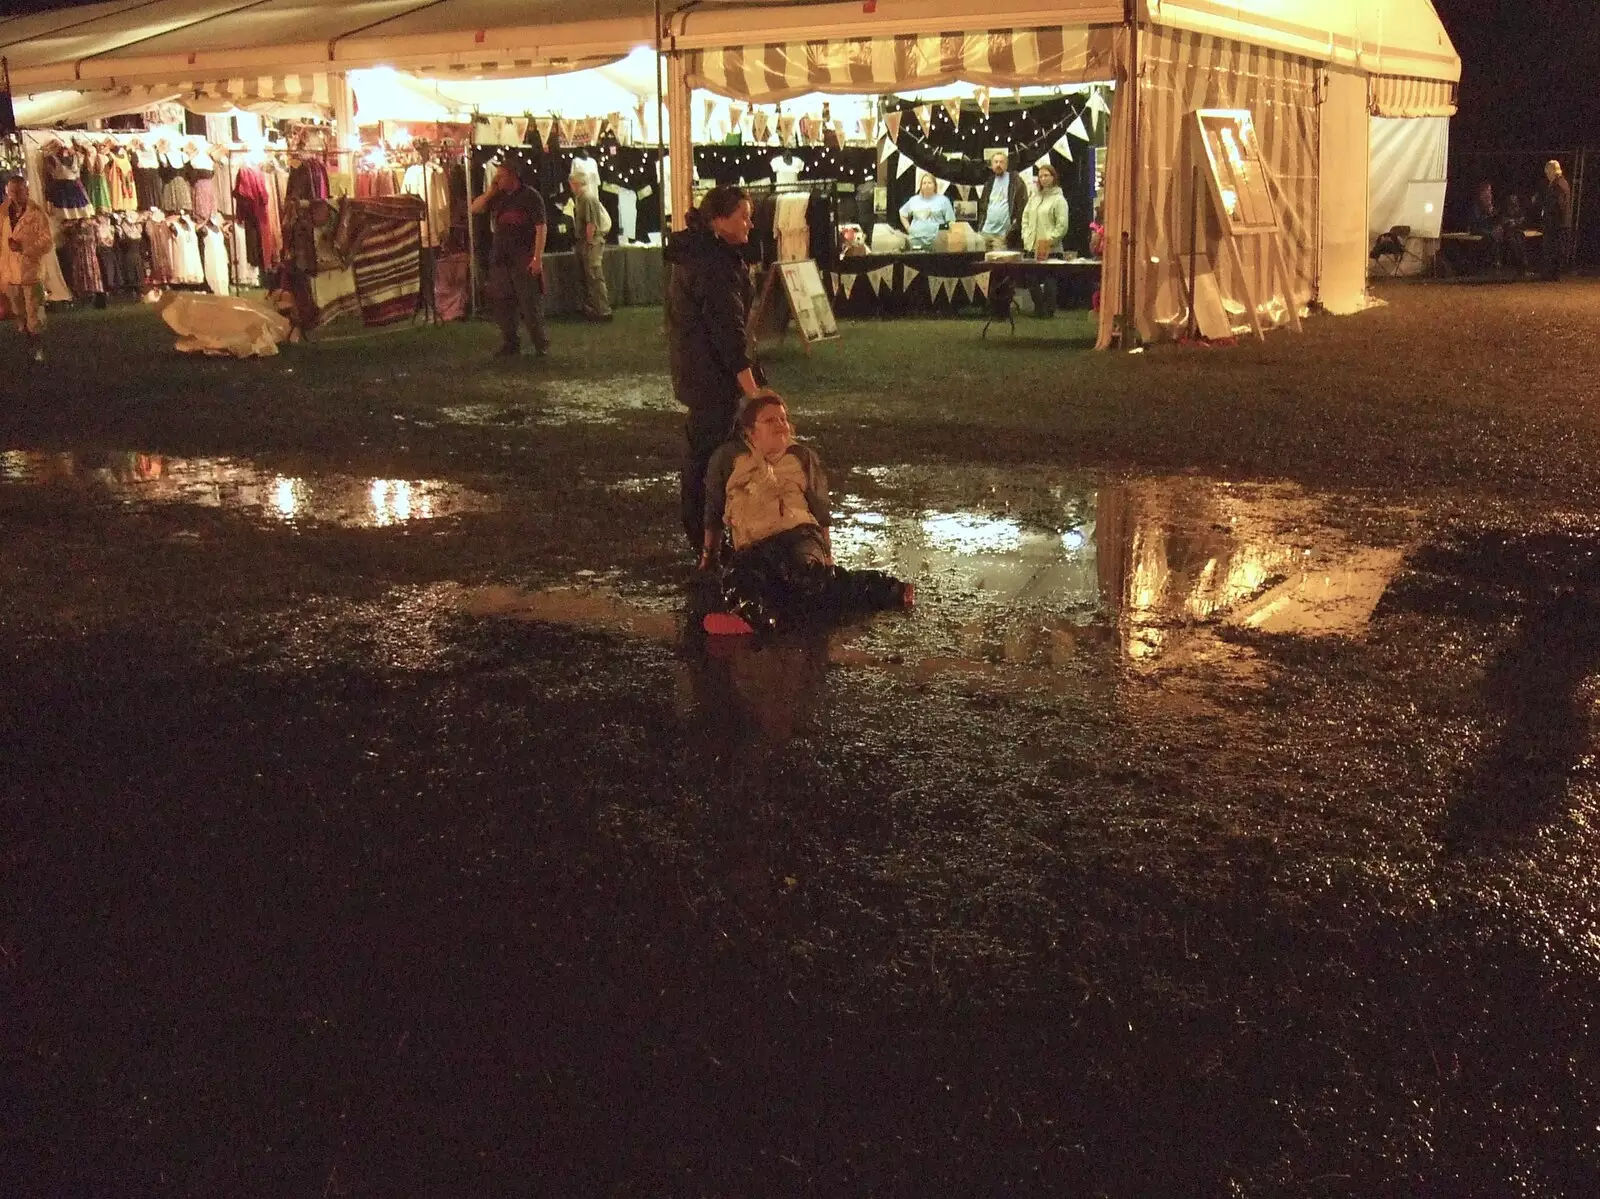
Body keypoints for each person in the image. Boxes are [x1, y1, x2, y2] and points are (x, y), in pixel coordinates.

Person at [699, 393, 914, 635]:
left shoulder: (801, 456)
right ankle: (755, 620)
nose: (780, 424)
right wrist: (709, 556)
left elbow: (821, 511)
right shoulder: (728, 458)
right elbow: (714, 509)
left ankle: (888, 589)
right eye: (770, 420)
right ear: (750, 431)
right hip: (753, 545)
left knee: (806, 577)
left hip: (799, 536)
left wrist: (827, 554)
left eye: (783, 419)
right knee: (742, 577)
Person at [665, 185, 764, 553]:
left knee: (706, 455)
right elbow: (728, 333)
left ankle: (710, 535)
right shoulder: (712, 264)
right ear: (719, 221)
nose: (750, 224)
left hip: (698, 371)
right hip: (710, 378)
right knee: (710, 460)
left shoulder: (704, 254)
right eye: (743, 215)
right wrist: (754, 393)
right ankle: (704, 539)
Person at [470, 161, 549, 357]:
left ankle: (540, 343)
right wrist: (490, 192)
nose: (497, 180)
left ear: (513, 176)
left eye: (501, 176)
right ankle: (511, 342)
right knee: (503, 303)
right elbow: (475, 209)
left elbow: (541, 227)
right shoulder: (498, 197)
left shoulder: (530, 196)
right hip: (501, 257)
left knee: (529, 304)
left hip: (523, 257)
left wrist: (537, 257)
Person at [1, 176, 55, 364]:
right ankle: (28, 346)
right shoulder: (4, 213)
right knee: (19, 313)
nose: (14, 196)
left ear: (26, 191)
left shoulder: (36, 214)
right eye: (11, 192)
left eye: (18, 192)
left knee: (34, 314)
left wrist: (24, 247)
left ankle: (38, 348)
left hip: (31, 271)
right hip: (12, 273)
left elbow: (47, 242)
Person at [1021, 164, 1070, 317]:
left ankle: (1049, 310)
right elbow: (1025, 218)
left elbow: (1062, 225)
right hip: (1032, 246)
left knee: (1050, 280)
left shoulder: (1059, 200)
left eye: (1046, 175)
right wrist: (1025, 235)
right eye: (1040, 176)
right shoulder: (1033, 198)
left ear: (1053, 177)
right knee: (1031, 279)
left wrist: (1050, 241)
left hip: (1051, 248)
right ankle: (1039, 307)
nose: (1043, 179)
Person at [568, 168, 613, 321]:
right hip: (586, 242)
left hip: (591, 242)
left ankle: (603, 310)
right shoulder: (581, 198)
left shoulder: (587, 198)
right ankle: (594, 308)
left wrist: (588, 242)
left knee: (595, 275)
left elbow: (591, 224)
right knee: (589, 276)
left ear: (577, 183)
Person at [974, 150, 1027, 252]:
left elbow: (1022, 205)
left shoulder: (1015, 181)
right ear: (991, 165)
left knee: (999, 264)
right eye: (996, 162)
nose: (998, 164)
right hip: (985, 232)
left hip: (1003, 235)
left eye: (1001, 162)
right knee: (981, 263)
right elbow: (983, 207)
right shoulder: (989, 183)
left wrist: (1014, 226)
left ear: (1006, 165)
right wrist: (980, 227)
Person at [898, 173, 955, 251]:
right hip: (915, 240)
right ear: (920, 186)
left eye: (929, 183)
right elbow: (902, 214)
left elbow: (951, 221)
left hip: (938, 242)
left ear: (935, 185)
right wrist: (908, 228)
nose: (927, 185)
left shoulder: (943, 200)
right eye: (924, 183)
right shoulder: (914, 200)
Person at [1539, 159, 1573, 281]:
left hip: (1557, 224)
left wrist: (1546, 214)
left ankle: (1553, 275)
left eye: (1548, 172)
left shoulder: (1557, 184)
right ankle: (1554, 274)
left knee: (1554, 249)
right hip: (1561, 223)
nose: (1547, 175)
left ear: (1553, 171)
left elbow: (1557, 205)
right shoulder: (1562, 182)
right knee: (1557, 249)